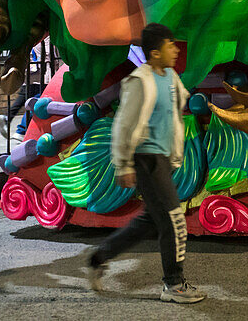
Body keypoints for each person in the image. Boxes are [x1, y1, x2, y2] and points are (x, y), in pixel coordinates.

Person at [82, 23, 205, 303]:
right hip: (146, 157)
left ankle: (98, 258)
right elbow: (124, 125)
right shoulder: (140, 81)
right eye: (169, 45)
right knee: (175, 221)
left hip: (162, 157)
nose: (175, 49)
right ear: (154, 52)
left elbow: (176, 109)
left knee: (151, 219)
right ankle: (173, 285)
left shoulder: (171, 77)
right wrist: (123, 164)